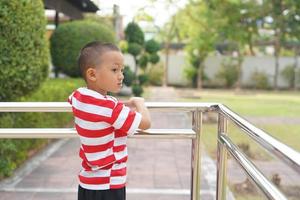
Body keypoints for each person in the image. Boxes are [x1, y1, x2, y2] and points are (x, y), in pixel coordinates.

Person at [68, 41, 151, 200]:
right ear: (92, 74)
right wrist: (140, 103)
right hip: (109, 184)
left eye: (122, 70)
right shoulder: (110, 108)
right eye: (114, 70)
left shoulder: (78, 96)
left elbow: (86, 105)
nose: (121, 76)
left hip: (86, 183)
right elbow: (145, 124)